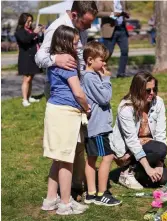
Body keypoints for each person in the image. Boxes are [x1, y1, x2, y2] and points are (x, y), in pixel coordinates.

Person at [35, 1, 98, 198]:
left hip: (76, 87)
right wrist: (56, 60)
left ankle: (74, 186)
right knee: (67, 148)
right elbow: (39, 57)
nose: (88, 28)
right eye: (86, 23)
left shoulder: (80, 28)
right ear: (73, 15)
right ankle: (67, 195)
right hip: (63, 95)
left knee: (78, 143)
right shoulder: (57, 28)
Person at [41, 25, 91, 215]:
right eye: (75, 43)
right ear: (65, 42)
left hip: (55, 110)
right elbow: (78, 92)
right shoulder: (68, 62)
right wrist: (87, 107)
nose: (78, 47)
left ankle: (50, 199)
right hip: (65, 113)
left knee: (59, 158)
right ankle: (64, 204)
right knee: (66, 159)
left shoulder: (56, 60)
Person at [110, 72, 167, 190]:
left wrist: (159, 163)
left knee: (161, 180)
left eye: (154, 89)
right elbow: (131, 141)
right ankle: (128, 171)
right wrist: (149, 168)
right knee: (160, 149)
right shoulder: (126, 108)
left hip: (149, 146)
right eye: (148, 90)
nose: (152, 93)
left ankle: (138, 171)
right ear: (138, 90)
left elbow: (161, 134)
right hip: (128, 150)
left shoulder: (158, 102)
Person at [81, 41, 121, 206]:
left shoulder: (87, 76)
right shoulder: (91, 77)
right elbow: (104, 98)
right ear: (90, 60)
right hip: (98, 127)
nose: (105, 63)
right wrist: (106, 79)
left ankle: (90, 193)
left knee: (91, 158)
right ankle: (102, 193)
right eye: (102, 60)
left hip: (92, 126)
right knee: (107, 156)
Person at [15, 13, 43, 107]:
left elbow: (37, 40)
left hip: (33, 58)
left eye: (31, 21)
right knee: (26, 79)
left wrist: (41, 32)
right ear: (23, 21)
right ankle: (24, 99)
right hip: (26, 58)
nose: (30, 23)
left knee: (31, 79)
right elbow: (25, 40)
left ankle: (29, 96)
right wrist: (34, 33)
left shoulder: (30, 30)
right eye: (28, 21)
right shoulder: (19, 31)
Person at [97, 1, 130, 78]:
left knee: (125, 51)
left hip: (122, 29)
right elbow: (97, 13)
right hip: (109, 29)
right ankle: (101, 72)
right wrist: (112, 14)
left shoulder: (122, 1)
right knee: (107, 53)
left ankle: (121, 74)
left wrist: (126, 14)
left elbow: (126, 10)